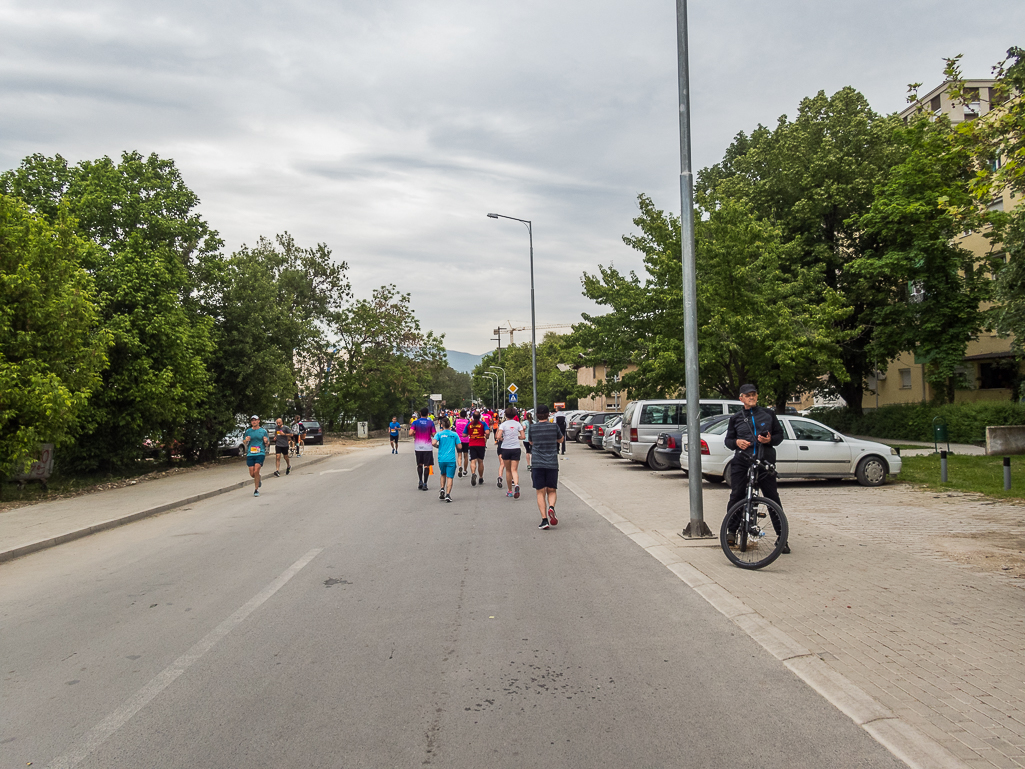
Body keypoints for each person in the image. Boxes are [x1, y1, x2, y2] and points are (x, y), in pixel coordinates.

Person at [723, 384, 789, 554]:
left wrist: (769, 441)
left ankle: (782, 538)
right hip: (742, 461)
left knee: (772, 498)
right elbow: (728, 441)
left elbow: (779, 436)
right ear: (741, 398)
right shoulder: (736, 418)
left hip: (764, 460)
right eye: (747, 395)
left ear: (757, 396)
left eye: (753, 394)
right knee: (737, 494)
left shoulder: (768, 414)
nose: (751, 397)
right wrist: (737, 442)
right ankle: (731, 532)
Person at [527, 404, 563, 529]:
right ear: (548, 414)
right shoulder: (554, 427)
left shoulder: (532, 428)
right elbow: (561, 440)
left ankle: (544, 520)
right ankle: (551, 507)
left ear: (537, 415)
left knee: (540, 492)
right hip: (552, 463)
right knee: (552, 490)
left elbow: (530, 442)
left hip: (537, 463)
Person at [497, 407, 525, 498]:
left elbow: (498, 436)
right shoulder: (518, 424)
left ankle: (509, 491)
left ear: (505, 415)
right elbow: (523, 436)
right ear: (515, 415)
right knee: (514, 470)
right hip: (516, 448)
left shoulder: (503, 424)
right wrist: (517, 438)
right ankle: (516, 484)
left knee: (508, 470)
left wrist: (502, 438)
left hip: (505, 448)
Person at [432, 417, 460, 502]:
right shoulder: (454, 434)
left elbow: (433, 443)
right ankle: (448, 494)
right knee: (450, 477)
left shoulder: (439, 434)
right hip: (451, 459)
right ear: (450, 425)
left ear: (441, 425)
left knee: (443, 474)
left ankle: (442, 489)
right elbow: (460, 446)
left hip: (441, 458)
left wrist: (438, 446)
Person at [243, 415, 270, 496]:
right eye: (252, 420)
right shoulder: (248, 431)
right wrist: (246, 440)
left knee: (256, 470)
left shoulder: (263, 431)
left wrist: (266, 441)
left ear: (259, 421)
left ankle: (256, 490)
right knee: (252, 474)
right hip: (250, 453)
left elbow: (268, 443)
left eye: (255, 420)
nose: (254, 422)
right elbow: (244, 441)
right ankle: (258, 479)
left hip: (260, 453)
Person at [411, 407, 437, 491]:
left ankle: (420, 481)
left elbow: (410, 433)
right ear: (428, 414)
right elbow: (434, 434)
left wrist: (415, 433)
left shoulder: (415, 422)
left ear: (420, 413)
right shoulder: (430, 423)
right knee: (426, 466)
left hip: (418, 447)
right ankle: (425, 483)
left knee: (419, 464)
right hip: (427, 447)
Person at [465, 411, 488, 486]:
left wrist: (470, 433)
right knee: (480, 461)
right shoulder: (483, 423)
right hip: (481, 443)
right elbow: (487, 432)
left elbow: (464, 434)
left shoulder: (469, 424)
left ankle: (473, 473)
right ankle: (481, 477)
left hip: (472, 444)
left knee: (473, 460)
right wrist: (486, 436)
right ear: (479, 417)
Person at [454, 409, 471, 477]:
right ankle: (465, 470)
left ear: (460, 415)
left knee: (459, 455)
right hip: (466, 440)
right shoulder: (467, 422)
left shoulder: (456, 421)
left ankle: (460, 466)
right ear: (466, 415)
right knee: (466, 455)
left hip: (458, 440)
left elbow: (454, 428)